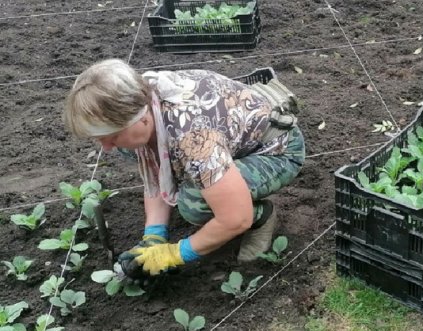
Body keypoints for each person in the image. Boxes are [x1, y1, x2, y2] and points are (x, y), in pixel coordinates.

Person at [63, 59, 305, 278]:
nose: (105, 147)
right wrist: (153, 237)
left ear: (142, 120)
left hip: (275, 150)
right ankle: (225, 186)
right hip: (229, 140)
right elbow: (157, 169)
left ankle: (262, 216)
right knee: (131, 147)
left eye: (112, 136)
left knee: (194, 204)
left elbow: (235, 218)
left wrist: (174, 254)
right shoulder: (142, 98)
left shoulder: (193, 137)